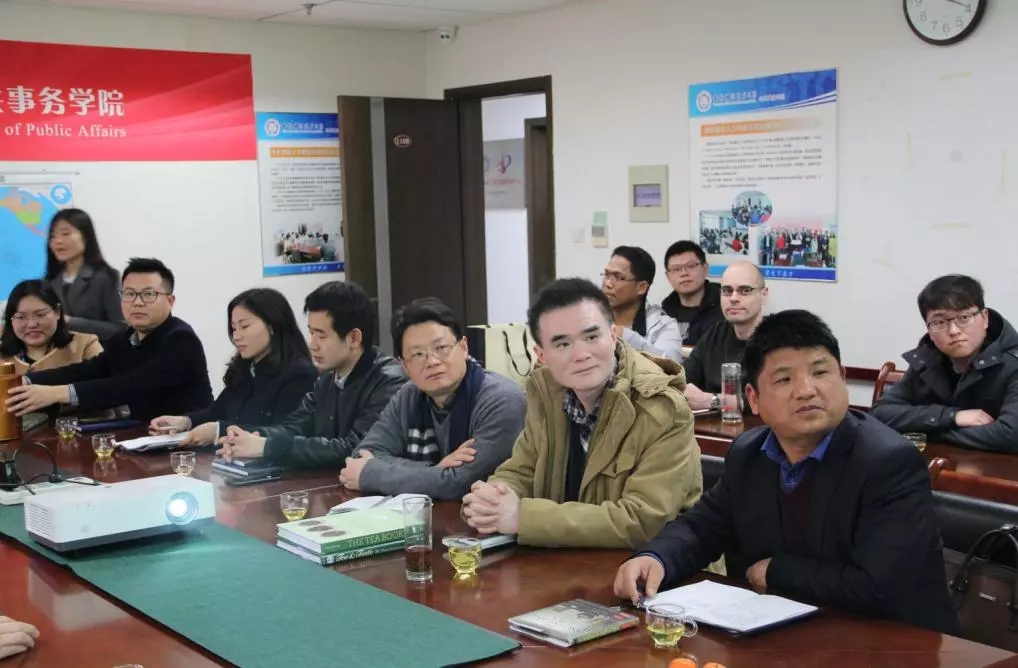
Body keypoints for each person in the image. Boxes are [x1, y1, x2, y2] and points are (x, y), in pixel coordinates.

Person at [614, 310, 962, 636]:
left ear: (842, 379)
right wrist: (656, 557)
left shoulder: (889, 462)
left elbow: (879, 587)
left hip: (894, 644)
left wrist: (776, 571)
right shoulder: (749, 453)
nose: (807, 390)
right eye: (783, 379)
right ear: (753, 398)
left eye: (820, 373)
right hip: (791, 635)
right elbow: (703, 527)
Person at [461, 278, 703, 549]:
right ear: (541, 355)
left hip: (661, 565)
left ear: (613, 335)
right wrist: (493, 498)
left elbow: (643, 521)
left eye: (591, 337)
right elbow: (523, 470)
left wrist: (522, 518)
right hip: (570, 559)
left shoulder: (663, 408)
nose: (581, 354)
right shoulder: (545, 393)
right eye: (562, 344)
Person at [334, 297, 526, 500]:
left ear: (463, 347)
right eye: (418, 354)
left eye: (441, 348)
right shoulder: (409, 395)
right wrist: (435, 469)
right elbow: (361, 456)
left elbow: (463, 482)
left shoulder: (502, 401)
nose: (432, 361)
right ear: (404, 365)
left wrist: (374, 473)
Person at [215, 281, 406, 468]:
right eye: (311, 333)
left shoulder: (389, 381)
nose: (313, 345)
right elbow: (295, 426)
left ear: (354, 338)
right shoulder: (327, 378)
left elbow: (354, 448)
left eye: (321, 336)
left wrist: (267, 447)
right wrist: (253, 438)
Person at [5, 258, 213, 422]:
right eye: (129, 294)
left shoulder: (181, 339)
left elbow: (131, 385)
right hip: (141, 437)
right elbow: (83, 371)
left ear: (170, 301)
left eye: (148, 294)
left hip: (188, 442)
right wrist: (24, 381)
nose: (137, 303)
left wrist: (57, 394)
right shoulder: (122, 340)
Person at [149, 288, 317, 447]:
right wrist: (185, 422)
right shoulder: (245, 368)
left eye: (244, 327)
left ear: (272, 326)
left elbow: (282, 433)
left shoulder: (299, 374)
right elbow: (217, 411)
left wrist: (218, 431)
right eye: (234, 328)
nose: (236, 336)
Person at [871, 274, 1018, 453]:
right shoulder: (926, 359)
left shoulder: (1013, 363)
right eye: (939, 322)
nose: (954, 331)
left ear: (985, 318)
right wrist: (952, 416)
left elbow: (1011, 436)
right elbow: (881, 413)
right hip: (935, 465)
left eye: (964, 318)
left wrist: (925, 431)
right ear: (929, 330)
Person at [682, 261, 767, 409]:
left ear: (764, 295)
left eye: (745, 290)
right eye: (727, 290)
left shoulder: (778, 338)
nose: (733, 298)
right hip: (712, 423)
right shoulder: (715, 333)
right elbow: (682, 381)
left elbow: (773, 399)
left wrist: (712, 400)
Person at [45, 208, 127, 342]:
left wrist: (70, 322)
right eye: (52, 236)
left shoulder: (106, 277)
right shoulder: (50, 281)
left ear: (86, 236)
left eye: (66, 234)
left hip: (100, 353)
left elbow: (121, 328)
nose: (58, 241)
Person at [1, 280, 102, 374]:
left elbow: (105, 383)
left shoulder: (85, 345)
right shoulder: (2, 355)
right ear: (11, 319)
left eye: (40, 315)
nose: (31, 324)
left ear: (57, 312)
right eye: (21, 317)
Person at [601, 246, 683, 361]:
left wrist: (627, 337)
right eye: (607, 275)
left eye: (618, 277)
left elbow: (672, 367)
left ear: (641, 287)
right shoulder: (593, 318)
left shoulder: (663, 326)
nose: (607, 284)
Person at [660, 240, 723, 346]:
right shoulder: (663, 315)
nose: (684, 273)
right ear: (668, 276)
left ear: (705, 269)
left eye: (691, 266)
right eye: (676, 269)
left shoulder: (726, 306)